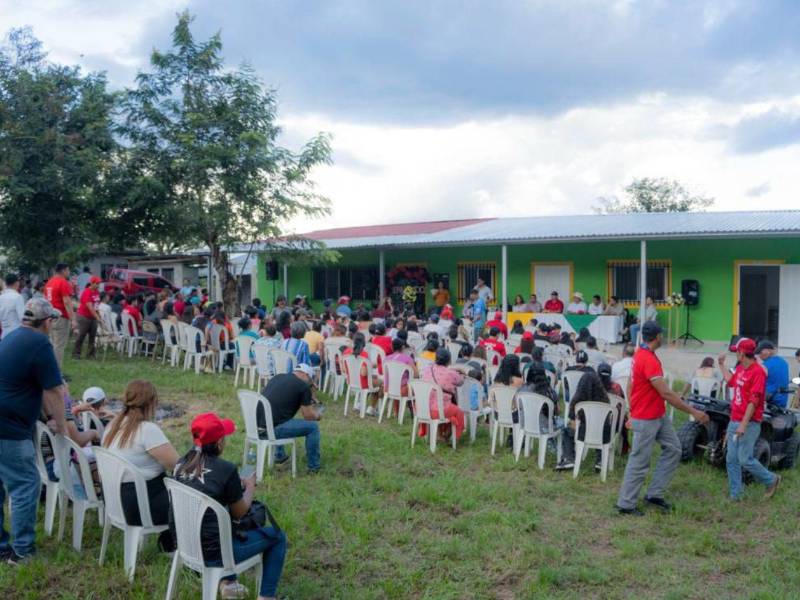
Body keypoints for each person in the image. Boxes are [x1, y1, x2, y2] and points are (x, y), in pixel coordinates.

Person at [174, 412, 287, 600]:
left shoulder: (180, 464)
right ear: (219, 443)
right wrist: (249, 487)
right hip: (216, 555)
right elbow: (239, 513)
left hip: (186, 545)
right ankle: (267, 596)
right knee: (278, 537)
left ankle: (228, 583)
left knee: (217, 520)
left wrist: (234, 487)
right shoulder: (226, 469)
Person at [616, 322, 709, 515]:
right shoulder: (647, 359)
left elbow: (631, 385)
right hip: (647, 417)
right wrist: (693, 411)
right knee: (639, 461)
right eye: (661, 335)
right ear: (657, 337)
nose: (663, 338)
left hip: (657, 414)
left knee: (674, 449)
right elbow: (665, 393)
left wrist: (631, 410)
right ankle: (626, 504)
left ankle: (654, 494)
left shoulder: (642, 355)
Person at [0, 298, 67, 563]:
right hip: (9, 427)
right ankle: (22, 551)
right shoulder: (40, 344)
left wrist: (45, 415)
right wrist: (60, 425)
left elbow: (32, 385)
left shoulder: (13, 336)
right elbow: (53, 391)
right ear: (47, 321)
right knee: (26, 483)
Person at [102, 380, 178, 550]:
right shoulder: (147, 430)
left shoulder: (112, 425)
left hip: (114, 501)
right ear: (152, 403)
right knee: (190, 497)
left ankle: (169, 540)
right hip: (140, 506)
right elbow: (177, 466)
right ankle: (175, 545)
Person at [719, 338, 781, 500]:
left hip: (749, 422)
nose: (735, 354)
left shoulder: (758, 372)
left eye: (736, 351)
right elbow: (731, 381)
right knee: (731, 459)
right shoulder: (740, 368)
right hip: (735, 419)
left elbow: (754, 401)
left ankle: (771, 479)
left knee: (744, 458)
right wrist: (721, 365)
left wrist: (743, 424)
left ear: (741, 353)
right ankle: (736, 495)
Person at [261, 364, 322, 473]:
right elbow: (308, 416)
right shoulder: (302, 387)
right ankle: (314, 467)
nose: (310, 383)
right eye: (310, 380)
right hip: (272, 429)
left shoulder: (278, 377)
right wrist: (317, 415)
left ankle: (279, 455)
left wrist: (310, 395)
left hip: (257, 427)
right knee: (313, 428)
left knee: (281, 417)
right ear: (306, 375)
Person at [556, 368, 611, 472]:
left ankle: (569, 458)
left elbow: (573, 425)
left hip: (583, 434)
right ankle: (600, 460)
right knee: (604, 429)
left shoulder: (577, 403)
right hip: (602, 435)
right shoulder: (605, 401)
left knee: (567, 431)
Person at [420, 348, 466, 441]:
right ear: (449, 360)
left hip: (423, 408)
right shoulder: (450, 373)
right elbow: (461, 382)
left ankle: (440, 434)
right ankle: (453, 437)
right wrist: (462, 374)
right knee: (458, 412)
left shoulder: (427, 369)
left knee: (450, 409)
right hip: (439, 410)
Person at [43, 263, 76, 370]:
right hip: (61, 317)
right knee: (59, 346)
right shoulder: (63, 282)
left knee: (52, 344)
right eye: (68, 270)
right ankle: (56, 373)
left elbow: (46, 300)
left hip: (50, 317)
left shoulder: (49, 282)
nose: (69, 272)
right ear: (63, 270)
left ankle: (49, 369)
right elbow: (67, 301)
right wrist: (73, 319)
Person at [73, 275, 102, 360]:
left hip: (93, 317)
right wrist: (97, 317)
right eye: (97, 283)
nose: (98, 285)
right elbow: (90, 306)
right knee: (81, 336)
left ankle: (90, 354)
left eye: (99, 283)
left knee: (92, 336)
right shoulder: (86, 292)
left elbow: (96, 306)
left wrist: (98, 315)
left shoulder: (97, 292)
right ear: (92, 283)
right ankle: (76, 354)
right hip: (84, 317)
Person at [755, 341, 790, 408]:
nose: (759, 355)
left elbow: (757, 384)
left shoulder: (765, 366)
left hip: (770, 401)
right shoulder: (784, 362)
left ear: (767, 351)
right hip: (783, 401)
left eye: (760, 352)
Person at [0, 273, 25, 340]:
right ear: (16, 283)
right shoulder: (17, 297)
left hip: (4, 334)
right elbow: (22, 318)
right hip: (16, 333)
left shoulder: (1, 297)